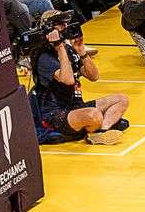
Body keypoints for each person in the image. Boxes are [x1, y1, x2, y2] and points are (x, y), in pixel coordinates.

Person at [32, 9, 129, 145]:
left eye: (66, 24)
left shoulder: (69, 49)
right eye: (60, 25)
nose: (65, 28)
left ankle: (101, 132)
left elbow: (94, 76)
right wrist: (59, 48)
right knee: (93, 115)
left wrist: (81, 52)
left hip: (76, 106)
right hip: (55, 114)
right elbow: (68, 80)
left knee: (121, 99)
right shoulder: (44, 57)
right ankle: (101, 124)